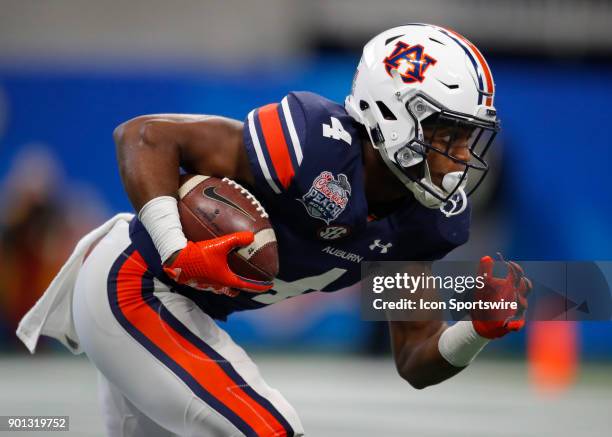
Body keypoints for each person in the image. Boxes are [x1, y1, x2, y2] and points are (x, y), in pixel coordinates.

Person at [18, 23, 531, 437]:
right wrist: (177, 249)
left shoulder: (423, 221)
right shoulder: (316, 145)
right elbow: (143, 136)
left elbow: (416, 356)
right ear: (393, 116)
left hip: (174, 310)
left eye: (468, 138)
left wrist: (475, 331)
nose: (461, 157)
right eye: (448, 134)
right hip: (136, 284)